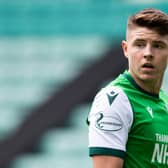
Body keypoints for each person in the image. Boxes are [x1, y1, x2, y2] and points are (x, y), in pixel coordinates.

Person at [87, 8, 168, 168]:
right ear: (126, 49)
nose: (148, 53)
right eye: (139, 44)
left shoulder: (164, 100)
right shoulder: (114, 100)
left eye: (158, 46)